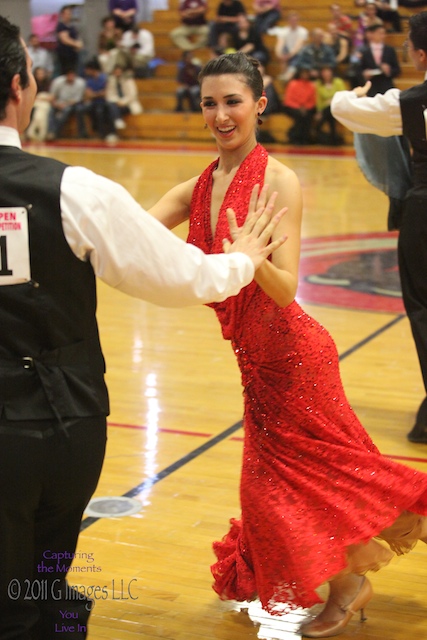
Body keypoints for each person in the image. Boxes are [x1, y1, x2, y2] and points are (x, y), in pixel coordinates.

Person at [0, 18, 286, 640]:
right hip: (51, 419)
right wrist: (241, 260)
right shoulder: (70, 189)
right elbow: (172, 274)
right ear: (23, 86)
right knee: (39, 580)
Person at [150, 51, 427, 638]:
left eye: (233, 101)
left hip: (295, 358)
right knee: (328, 480)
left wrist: (246, 262)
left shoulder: (277, 180)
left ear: (259, 104)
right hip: (255, 364)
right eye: (209, 103)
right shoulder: (197, 186)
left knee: (298, 484)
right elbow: (133, 240)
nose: (221, 115)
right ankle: (349, 584)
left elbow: (286, 286)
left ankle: (350, 587)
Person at [331, 11, 427, 444]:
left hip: (424, 217)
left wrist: (352, 92)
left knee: (424, 309)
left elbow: (344, 109)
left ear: (421, 55)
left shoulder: (409, 103)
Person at [358, 23, 401, 96]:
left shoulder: (390, 50)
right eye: (379, 33)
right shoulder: (364, 51)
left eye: (384, 33)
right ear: (372, 34)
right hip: (371, 87)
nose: (382, 36)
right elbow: (359, 70)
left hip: (386, 87)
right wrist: (364, 74)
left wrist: (389, 70)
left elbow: (397, 70)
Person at [46, 67, 86, 140]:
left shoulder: (80, 83)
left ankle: (55, 132)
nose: (71, 77)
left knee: (66, 110)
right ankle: (50, 132)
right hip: (57, 103)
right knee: (50, 110)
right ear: (66, 75)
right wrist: (56, 104)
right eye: (69, 75)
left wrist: (65, 105)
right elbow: (52, 96)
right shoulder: (57, 82)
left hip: (72, 104)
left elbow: (77, 99)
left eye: (72, 75)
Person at [282, 66, 317, 144]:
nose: (305, 75)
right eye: (303, 73)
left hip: (306, 108)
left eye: (306, 73)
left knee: (308, 116)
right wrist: (298, 107)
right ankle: (295, 137)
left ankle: (305, 138)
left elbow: (312, 101)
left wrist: (306, 107)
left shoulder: (311, 85)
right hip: (292, 107)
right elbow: (288, 100)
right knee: (299, 116)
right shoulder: (293, 84)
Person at [271, 11, 309, 82]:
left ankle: (289, 74)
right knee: (283, 51)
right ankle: (283, 73)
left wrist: (289, 55)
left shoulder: (303, 31)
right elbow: (280, 44)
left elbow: (298, 46)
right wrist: (279, 54)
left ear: (298, 20)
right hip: (288, 53)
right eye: (291, 20)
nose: (293, 22)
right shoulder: (283, 31)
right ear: (288, 21)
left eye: (295, 20)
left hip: (298, 54)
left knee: (299, 55)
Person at [314, 65, 346, 144]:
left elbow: (343, 95)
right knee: (329, 113)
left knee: (330, 108)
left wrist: (332, 100)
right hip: (326, 109)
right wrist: (319, 111)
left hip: (338, 107)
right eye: (324, 72)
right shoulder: (319, 84)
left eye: (328, 72)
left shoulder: (338, 82)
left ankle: (320, 131)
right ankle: (333, 137)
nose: (326, 74)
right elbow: (318, 99)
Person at [106, 63, 143, 128]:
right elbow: (110, 94)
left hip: (128, 103)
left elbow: (133, 95)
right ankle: (117, 121)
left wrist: (123, 101)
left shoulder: (128, 80)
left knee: (112, 110)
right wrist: (117, 101)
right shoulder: (111, 80)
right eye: (116, 72)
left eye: (119, 71)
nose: (117, 73)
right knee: (109, 107)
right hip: (116, 103)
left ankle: (116, 123)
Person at [55, 4, 83, 74]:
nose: (69, 15)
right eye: (67, 13)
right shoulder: (61, 26)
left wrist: (79, 44)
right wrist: (76, 44)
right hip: (65, 56)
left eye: (70, 13)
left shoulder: (71, 27)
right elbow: (64, 39)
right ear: (62, 14)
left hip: (73, 55)